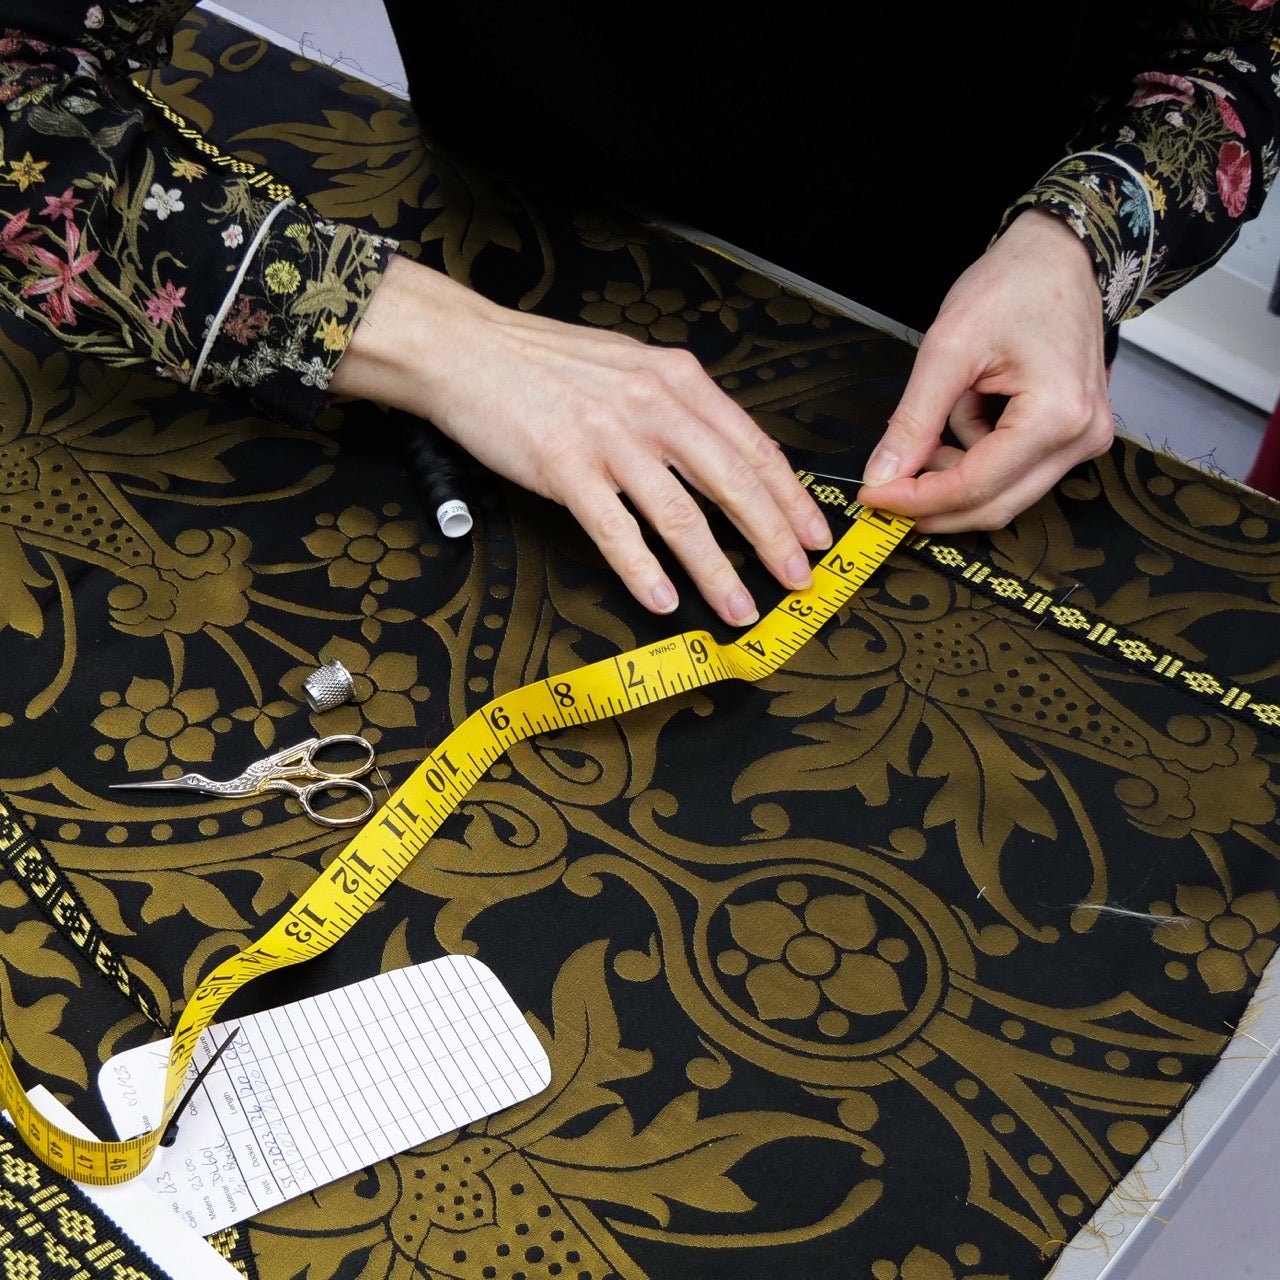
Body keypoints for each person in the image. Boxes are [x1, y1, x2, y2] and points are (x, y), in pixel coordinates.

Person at [2, 3, 1278, 631]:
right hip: (471, 254)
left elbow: (1238, 25)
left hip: (940, 355)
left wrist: (1086, 233)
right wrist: (420, 330)